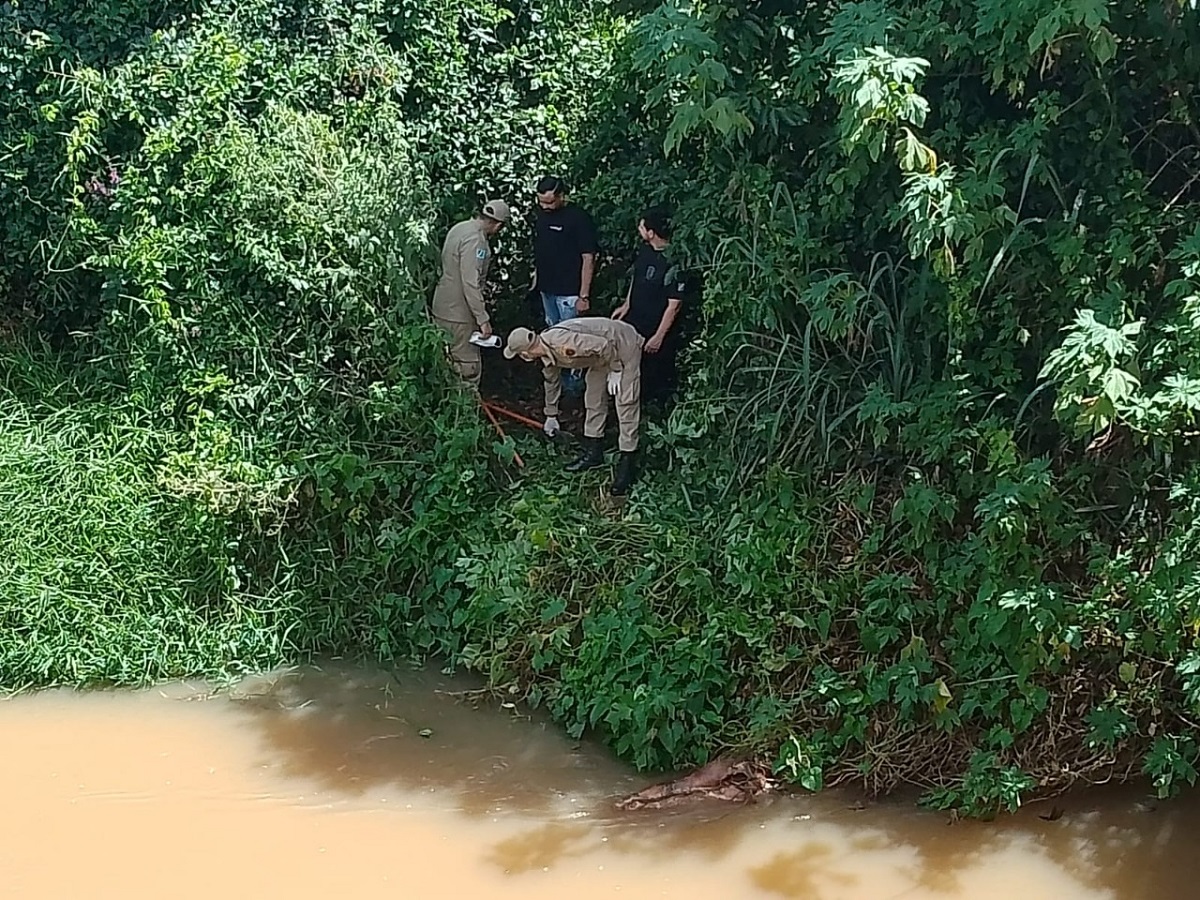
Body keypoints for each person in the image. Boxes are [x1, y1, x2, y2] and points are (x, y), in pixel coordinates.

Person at [504, 317, 644, 496]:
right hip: (601, 357)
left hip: (622, 346)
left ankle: (628, 463)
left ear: (526, 352)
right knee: (593, 398)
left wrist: (616, 370)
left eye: (520, 355)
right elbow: (552, 383)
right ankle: (594, 453)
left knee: (626, 402)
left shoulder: (562, 342)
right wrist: (551, 415)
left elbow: (604, 345)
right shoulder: (546, 354)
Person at [611, 206, 687, 406]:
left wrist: (659, 336)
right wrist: (626, 305)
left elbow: (674, 304)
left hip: (656, 325)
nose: (639, 229)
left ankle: (656, 409)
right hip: (635, 319)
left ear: (651, 232)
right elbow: (637, 278)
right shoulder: (645, 251)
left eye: (642, 226)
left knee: (655, 371)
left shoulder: (673, 262)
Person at [430, 199, 510, 388]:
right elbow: (470, 282)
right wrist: (482, 318)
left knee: (445, 361)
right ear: (498, 224)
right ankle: (466, 413)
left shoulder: (460, 228)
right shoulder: (477, 241)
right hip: (460, 313)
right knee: (467, 367)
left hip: (442, 306)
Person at [531, 176, 599, 395]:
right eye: (542, 202)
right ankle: (554, 380)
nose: (546, 207)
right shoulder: (541, 216)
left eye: (550, 202)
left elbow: (588, 257)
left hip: (570, 291)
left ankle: (573, 386)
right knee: (551, 333)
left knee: (570, 339)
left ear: (561, 196)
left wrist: (584, 295)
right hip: (547, 288)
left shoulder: (577, 218)